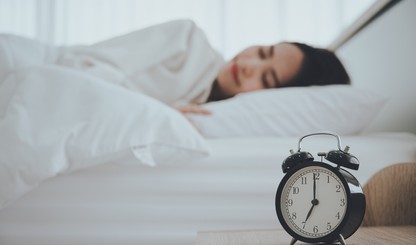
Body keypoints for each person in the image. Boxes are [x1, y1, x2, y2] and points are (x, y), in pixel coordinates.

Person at [54, 20, 350, 114]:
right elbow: (82, 68)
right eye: (262, 52)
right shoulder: (187, 39)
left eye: (267, 79)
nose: (248, 65)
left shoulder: (215, 117)